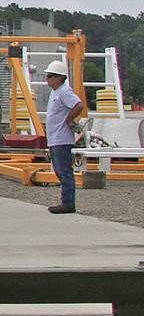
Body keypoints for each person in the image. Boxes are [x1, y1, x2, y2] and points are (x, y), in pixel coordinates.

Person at [43, 58, 89, 214]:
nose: (47, 78)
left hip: (61, 139)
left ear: (58, 77)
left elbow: (79, 105)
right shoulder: (56, 92)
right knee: (59, 171)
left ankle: (68, 203)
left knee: (64, 172)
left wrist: (69, 119)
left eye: (49, 76)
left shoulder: (64, 91)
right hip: (56, 139)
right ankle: (66, 202)